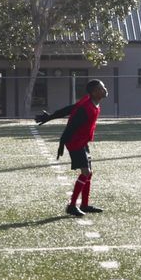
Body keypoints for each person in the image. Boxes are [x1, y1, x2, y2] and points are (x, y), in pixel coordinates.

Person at [34, 79, 108, 217]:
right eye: (101, 88)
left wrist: (50, 116)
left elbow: (69, 108)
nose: (104, 89)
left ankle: (84, 205)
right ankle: (72, 206)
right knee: (86, 172)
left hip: (82, 141)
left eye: (103, 87)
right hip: (75, 142)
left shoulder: (90, 102)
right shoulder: (86, 107)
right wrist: (62, 143)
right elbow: (71, 125)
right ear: (94, 92)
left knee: (89, 173)